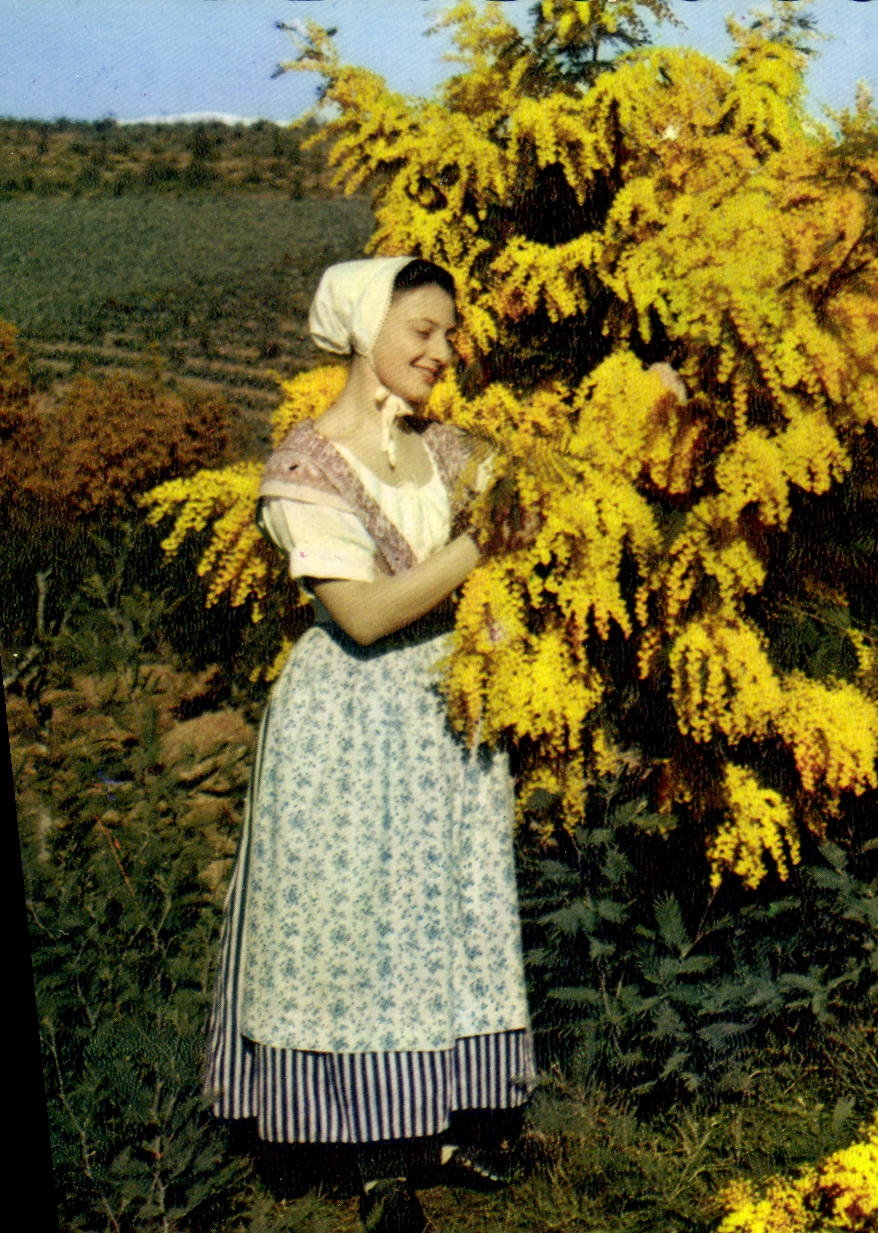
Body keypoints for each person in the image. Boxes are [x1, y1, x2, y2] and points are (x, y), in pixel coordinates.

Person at [202, 256, 537, 1232]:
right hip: (351, 723)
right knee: (358, 926)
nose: (442, 352)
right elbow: (364, 614)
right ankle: (375, 1157)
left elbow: (555, 501)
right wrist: (482, 545)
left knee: (445, 912)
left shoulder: (450, 450)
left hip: (445, 714)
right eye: (421, 332)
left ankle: (449, 1127)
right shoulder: (304, 468)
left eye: (448, 334)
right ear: (362, 328)